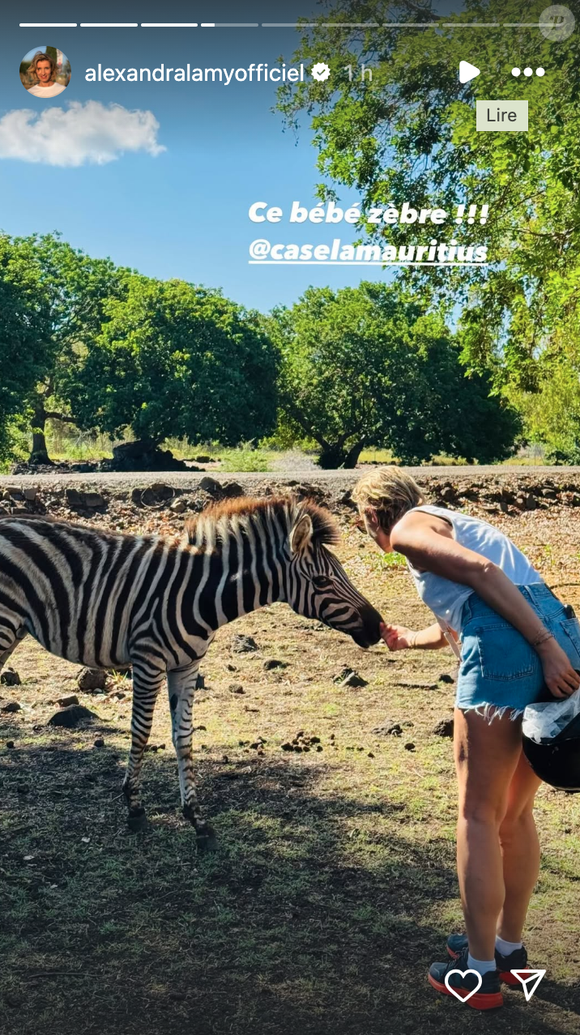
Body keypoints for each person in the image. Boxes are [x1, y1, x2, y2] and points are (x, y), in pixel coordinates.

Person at [352, 467, 580, 1011]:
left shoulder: (408, 530)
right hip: (556, 630)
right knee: (513, 815)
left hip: (524, 644)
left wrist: (543, 646)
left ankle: (477, 976)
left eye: (364, 524)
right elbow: (477, 603)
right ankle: (507, 950)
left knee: (477, 814)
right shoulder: (456, 523)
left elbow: (481, 577)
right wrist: (411, 639)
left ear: (372, 515)